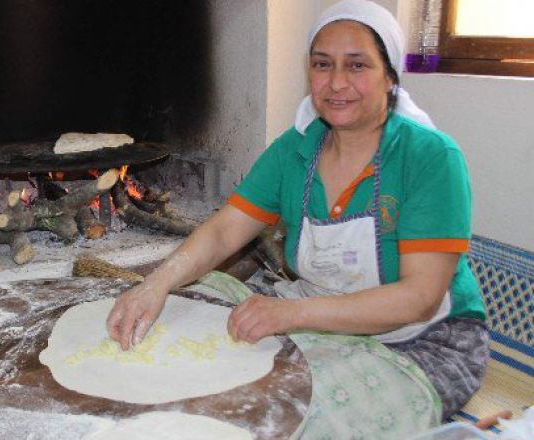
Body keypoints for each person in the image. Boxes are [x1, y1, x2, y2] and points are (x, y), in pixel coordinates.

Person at [106, 0, 488, 425]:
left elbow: (419, 298)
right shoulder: (296, 149)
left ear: (390, 77)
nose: (337, 82)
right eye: (322, 65)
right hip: (314, 312)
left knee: (285, 415)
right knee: (199, 340)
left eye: (357, 66)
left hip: (419, 342)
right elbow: (224, 232)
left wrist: (291, 314)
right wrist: (154, 284)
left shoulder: (429, 157)